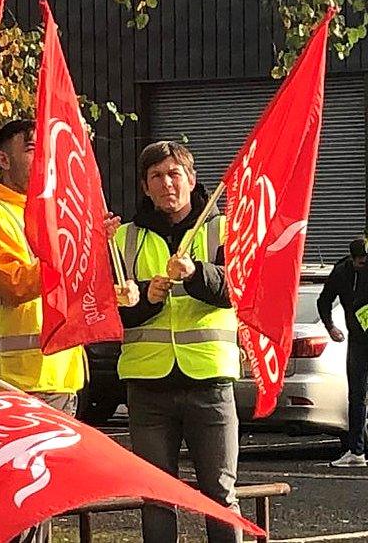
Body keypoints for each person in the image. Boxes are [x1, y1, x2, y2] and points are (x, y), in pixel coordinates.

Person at [0, 119, 89, 542]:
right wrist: (69, 255)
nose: (44, 158)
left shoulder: (48, 213)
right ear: (2, 159)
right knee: (17, 500)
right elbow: (14, 283)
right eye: (32, 148)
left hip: (54, 377)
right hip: (13, 382)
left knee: (41, 501)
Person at [114, 141, 241, 543]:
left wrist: (197, 273)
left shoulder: (223, 228)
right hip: (147, 383)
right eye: (156, 176)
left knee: (220, 495)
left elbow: (238, 290)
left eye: (174, 174)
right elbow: (112, 310)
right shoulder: (122, 239)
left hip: (209, 380)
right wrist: (146, 300)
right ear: (144, 186)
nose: (167, 183)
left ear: (192, 179)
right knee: (156, 498)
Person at [319, 237, 368, 468]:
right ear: (352, 258)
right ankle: (355, 451)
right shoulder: (341, 273)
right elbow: (323, 301)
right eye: (359, 261)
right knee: (356, 395)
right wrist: (330, 327)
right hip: (358, 341)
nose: (363, 264)